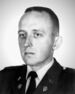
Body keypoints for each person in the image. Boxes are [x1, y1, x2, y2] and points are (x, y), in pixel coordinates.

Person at [0, 6, 75, 94]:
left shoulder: (72, 81)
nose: (26, 43)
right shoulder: (4, 78)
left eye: (37, 34)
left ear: (56, 42)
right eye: (22, 35)